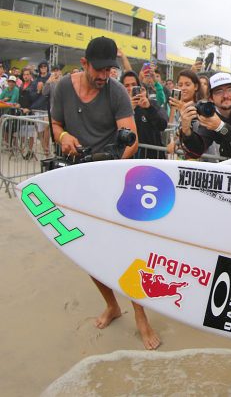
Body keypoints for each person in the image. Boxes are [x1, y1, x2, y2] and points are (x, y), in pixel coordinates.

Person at [50, 37, 161, 351]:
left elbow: (133, 140)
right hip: (75, 180)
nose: (104, 76)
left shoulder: (115, 91)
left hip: (111, 180)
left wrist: (107, 168)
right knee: (85, 251)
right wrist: (64, 136)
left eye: (109, 70)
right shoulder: (61, 88)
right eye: (98, 70)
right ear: (84, 63)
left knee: (125, 250)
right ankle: (112, 305)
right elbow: (56, 124)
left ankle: (141, 315)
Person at [180, 72, 231, 159]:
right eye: (219, 91)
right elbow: (197, 151)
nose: (226, 95)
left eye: (229, 89)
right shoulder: (211, 115)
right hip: (229, 169)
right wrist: (186, 131)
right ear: (211, 98)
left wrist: (221, 127)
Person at [121, 70, 168, 159]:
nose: (131, 88)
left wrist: (149, 108)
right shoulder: (120, 108)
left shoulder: (152, 104)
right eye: (126, 86)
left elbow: (162, 125)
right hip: (129, 160)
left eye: (134, 84)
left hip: (152, 159)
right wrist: (129, 109)